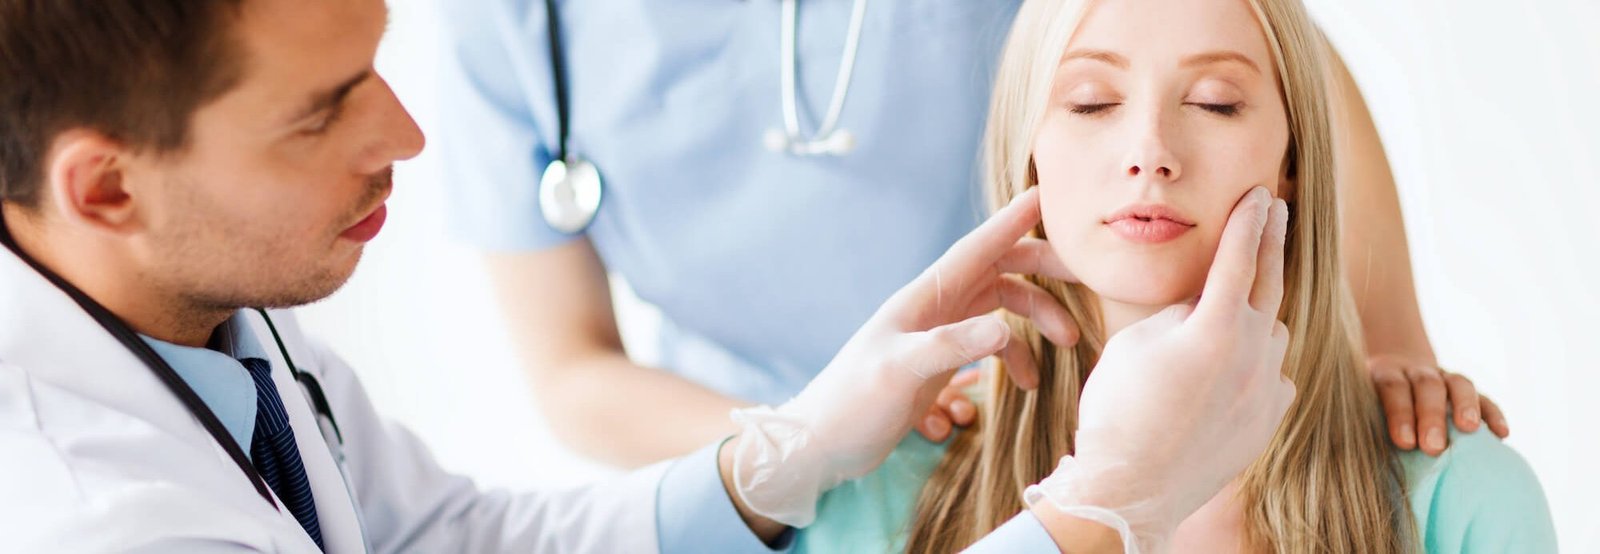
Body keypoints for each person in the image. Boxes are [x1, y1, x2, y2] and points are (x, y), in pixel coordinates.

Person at [0, 0, 1295, 551]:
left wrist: (775, 456)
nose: (406, 134)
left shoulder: (196, 324)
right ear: (105, 186)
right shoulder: (96, 511)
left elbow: (446, 540)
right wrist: (1106, 505)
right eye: (322, 109)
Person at [439, 0, 1505, 468]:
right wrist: (818, 434)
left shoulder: (1456, 492)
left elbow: (1254, 45)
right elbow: (571, 371)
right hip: (753, 449)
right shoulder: (514, 18)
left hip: (1058, 421)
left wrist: (1383, 333)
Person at [793, 0, 1558, 552]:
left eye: (1215, 103)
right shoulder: (889, 489)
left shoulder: (1459, 498)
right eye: (1092, 103)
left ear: (1293, 163)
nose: (1150, 149)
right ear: (1030, 155)